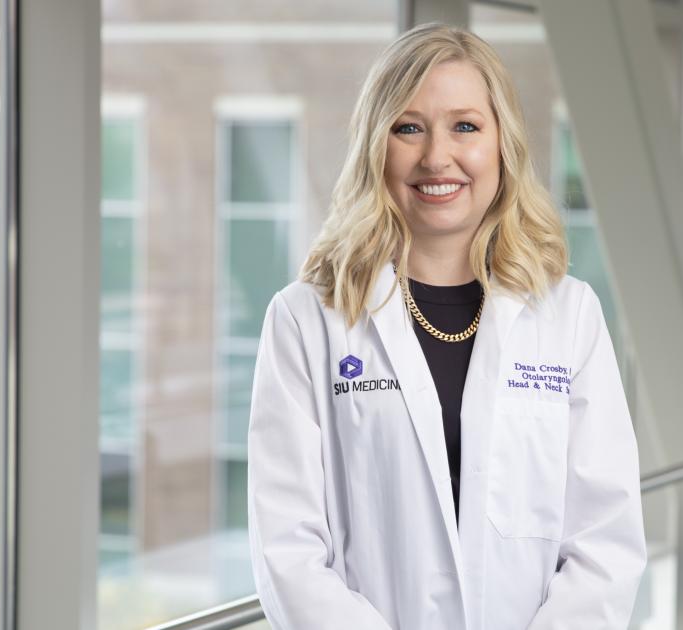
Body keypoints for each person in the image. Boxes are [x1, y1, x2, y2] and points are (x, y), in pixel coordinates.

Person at [246, 22, 647, 630]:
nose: (438, 157)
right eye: (409, 127)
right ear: (376, 146)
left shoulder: (568, 315)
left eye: (465, 126)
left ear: (501, 144)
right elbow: (287, 551)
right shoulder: (306, 320)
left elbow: (605, 539)